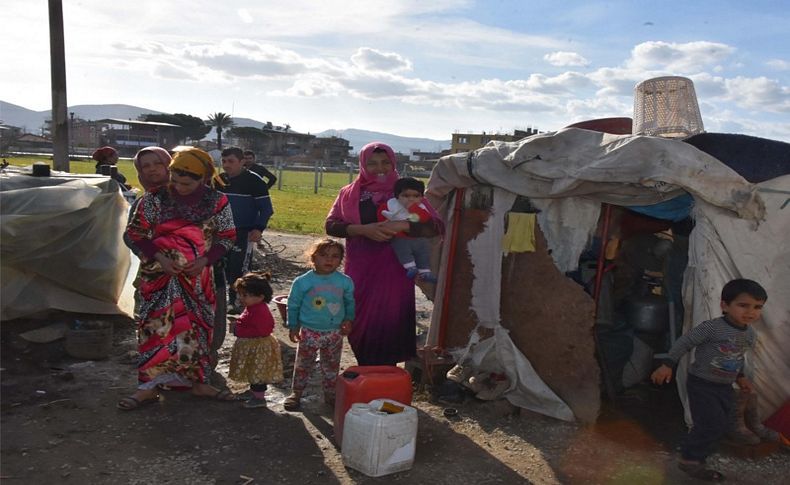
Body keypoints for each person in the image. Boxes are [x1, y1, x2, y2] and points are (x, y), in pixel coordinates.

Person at [119, 147, 237, 410]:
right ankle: (147, 387)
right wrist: (160, 259)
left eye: (186, 183)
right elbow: (135, 234)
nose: (179, 187)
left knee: (197, 331)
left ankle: (199, 383)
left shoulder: (218, 202)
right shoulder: (153, 200)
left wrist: (205, 260)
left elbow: (228, 237)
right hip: (158, 279)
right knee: (154, 330)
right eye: (175, 181)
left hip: (198, 280)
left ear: (203, 179)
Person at [325, 142, 442, 366]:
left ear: (393, 163)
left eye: (385, 162)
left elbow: (434, 225)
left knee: (392, 316)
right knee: (360, 316)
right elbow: (331, 225)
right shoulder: (350, 193)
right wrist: (363, 230)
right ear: (362, 164)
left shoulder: (405, 192)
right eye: (373, 163)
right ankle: (366, 367)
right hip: (362, 266)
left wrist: (403, 226)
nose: (380, 168)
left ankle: (387, 372)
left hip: (396, 268)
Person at [650, 279, 767, 482]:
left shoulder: (749, 334)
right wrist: (667, 364)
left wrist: (740, 378)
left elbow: (737, 357)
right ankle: (689, 459)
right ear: (724, 305)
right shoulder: (712, 328)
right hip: (702, 384)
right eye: (743, 305)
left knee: (721, 423)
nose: (751, 312)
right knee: (710, 423)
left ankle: (695, 453)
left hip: (724, 386)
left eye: (757, 307)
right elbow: (685, 342)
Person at [283, 238, 354, 411]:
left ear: (341, 259)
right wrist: (293, 325)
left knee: (330, 367)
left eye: (335, 256)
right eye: (323, 255)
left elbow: (350, 302)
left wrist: (348, 319)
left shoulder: (344, 281)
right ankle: (296, 394)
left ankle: (330, 395)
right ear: (313, 258)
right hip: (309, 331)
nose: (329, 260)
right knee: (303, 365)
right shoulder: (302, 282)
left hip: (334, 333)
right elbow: (293, 304)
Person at [219, 147, 274, 312]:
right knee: (219, 267)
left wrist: (258, 228)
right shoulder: (219, 180)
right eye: (223, 161)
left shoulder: (255, 181)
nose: (226, 165)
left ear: (242, 162)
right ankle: (219, 301)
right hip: (220, 233)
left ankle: (238, 302)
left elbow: (266, 209)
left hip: (244, 233)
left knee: (239, 268)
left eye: (231, 161)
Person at [228, 272, 283, 409]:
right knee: (253, 370)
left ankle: (259, 398)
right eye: (240, 294)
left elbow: (262, 330)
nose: (241, 298)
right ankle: (254, 392)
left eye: (245, 295)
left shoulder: (260, 310)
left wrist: (238, 330)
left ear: (260, 296)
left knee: (258, 372)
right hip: (253, 345)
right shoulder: (253, 307)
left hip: (259, 347)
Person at [378, 177, 438, 283]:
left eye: (416, 196)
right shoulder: (391, 205)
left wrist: (413, 209)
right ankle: (411, 267)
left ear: (421, 197)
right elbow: (382, 215)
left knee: (423, 252)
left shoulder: (421, 207)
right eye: (406, 196)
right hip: (400, 237)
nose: (411, 199)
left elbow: (424, 218)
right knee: (402, 249)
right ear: (397, 196)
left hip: (418, 238)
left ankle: (425, 272)